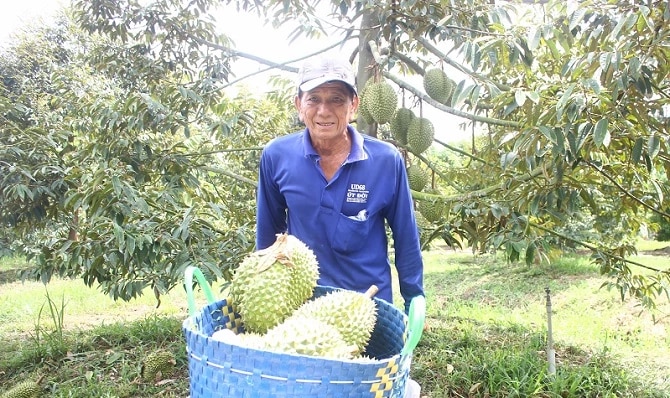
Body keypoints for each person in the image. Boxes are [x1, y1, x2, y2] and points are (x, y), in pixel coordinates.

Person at [255, 55, 424, 314]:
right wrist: (264, 297)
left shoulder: (386, 161)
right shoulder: (277, 156)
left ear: (353, 105)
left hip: (368, 305)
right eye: (314, 99)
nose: (324, 111)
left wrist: (414, 303)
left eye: (336, 99)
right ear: (299, 105)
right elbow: (268, 238)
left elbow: (406, 239)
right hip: (302, 307)